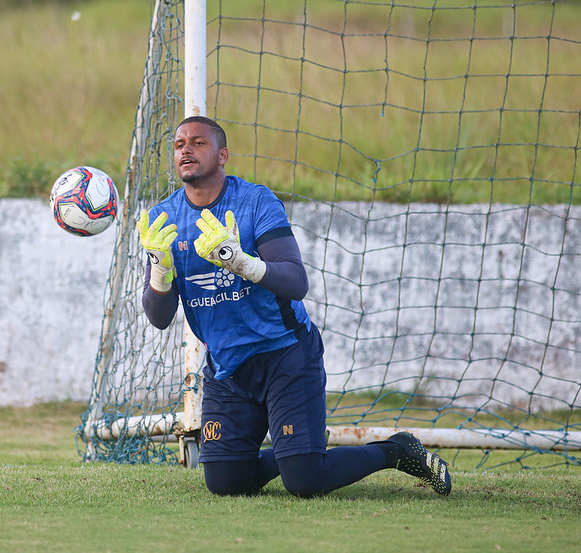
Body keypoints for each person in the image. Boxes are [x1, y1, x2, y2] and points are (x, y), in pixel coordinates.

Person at [137, 115, 451, 497]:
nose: (186, 149)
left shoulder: (255, 201)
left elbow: (295, 282)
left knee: (305, 481)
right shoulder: (162, 218)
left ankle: (396, 450)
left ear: (223, 155)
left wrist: (239, 261)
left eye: (198, 142)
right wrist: (160, 272)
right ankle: (294, 454)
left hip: (285, 355)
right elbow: (159, 318)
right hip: (226, 369)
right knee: (226, 484)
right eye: (179, 144)